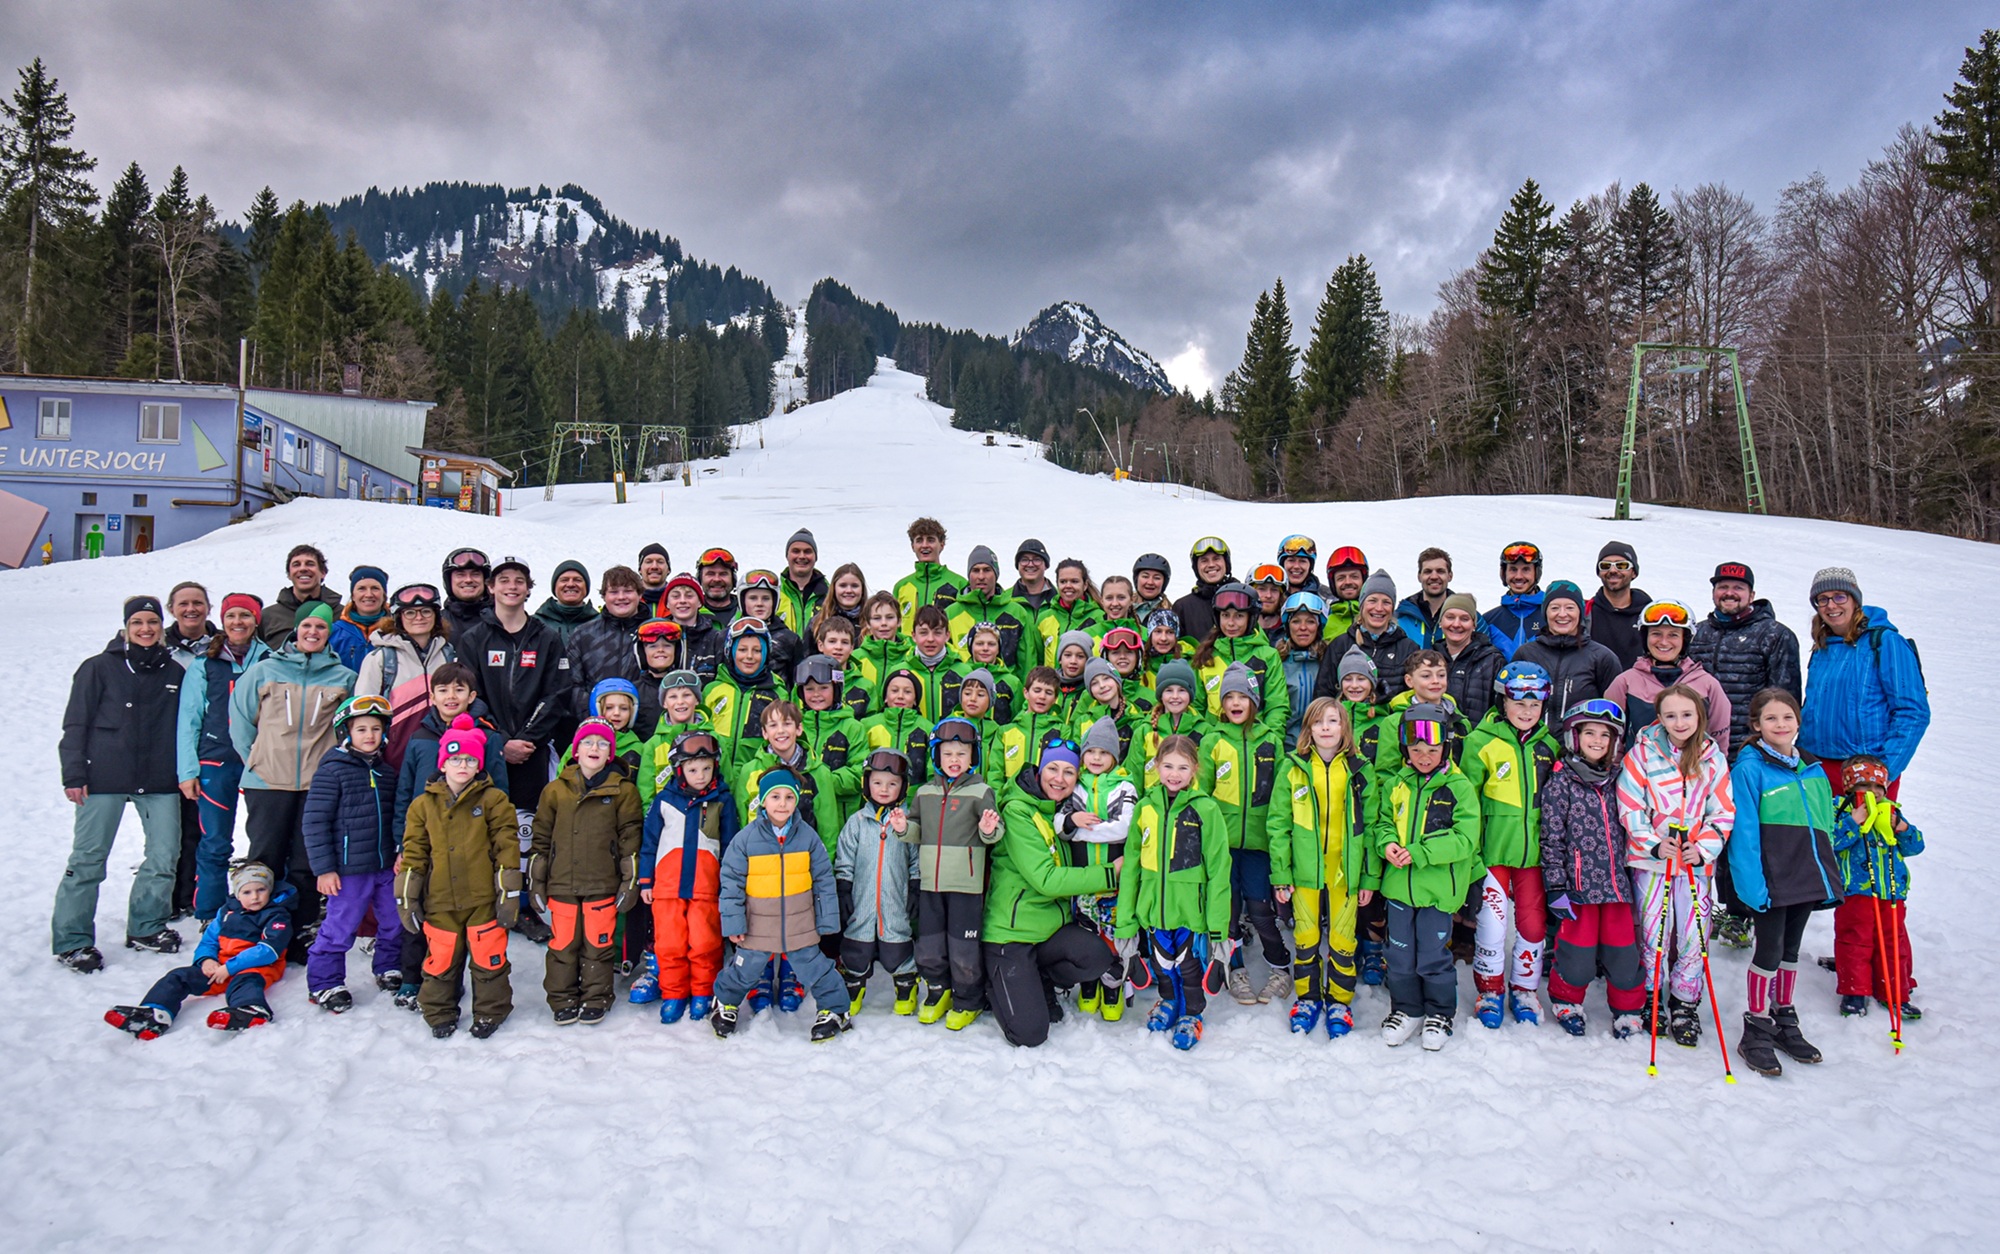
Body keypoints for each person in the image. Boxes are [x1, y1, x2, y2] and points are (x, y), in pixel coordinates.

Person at [54, 595, 187, 971]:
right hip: (104, 776)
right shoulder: (98, 668)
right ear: (127, 628)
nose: (146, 629)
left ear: (162, 628)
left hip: (159, 777)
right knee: (88, 860)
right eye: (138, 623)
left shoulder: (174, 672)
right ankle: (73, 939)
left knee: (164, 855)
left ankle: (146, 925)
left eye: (152, 623)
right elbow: (75, 723)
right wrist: (74, 773)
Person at [229, 601, 356, 962]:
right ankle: (254, 928)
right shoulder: (264, 670)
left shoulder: (342, 677)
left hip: (317, 784)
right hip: (267, 781)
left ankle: (297, 932)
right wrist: (255, 758)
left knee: (304, 861)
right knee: (264, 857)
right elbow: (240, 721)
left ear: (329, 633)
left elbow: (346, 728)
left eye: (321, 628)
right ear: (296, 630)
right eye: (307, 627)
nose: (313, 633)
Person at [1725, 688, 1842, 1076]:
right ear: (1756, 725)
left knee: (1791, 951)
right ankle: (1756, 1026)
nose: (1780, 725)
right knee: (1769, 951)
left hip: (1806, 876)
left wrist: (1827, 872)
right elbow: (1742, 833)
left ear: (1798, 723)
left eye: (1787, 718)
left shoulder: (1812, 768)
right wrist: (1750, 886)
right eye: (1771, 719)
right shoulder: (1750, 768)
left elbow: (1824, 824)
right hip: (1772, 879)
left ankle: (1784, 1017)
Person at [456, 556, 571, 945]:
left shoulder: (546, 636)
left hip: (533, 750)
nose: (511, 587)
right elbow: (471, 696)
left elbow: (557, 693)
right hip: (488, 751)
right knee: (487, 827)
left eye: (519, 581)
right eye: (503, 580)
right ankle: (487, 902)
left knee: (526, 831)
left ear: (528, 588)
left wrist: (527, 739)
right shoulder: (474, 638)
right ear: (491, 588)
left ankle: (524, 905)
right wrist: (500, 741)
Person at [1617, 684, 1735, 1049]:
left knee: (1693, 932)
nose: (1679, 722)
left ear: (1699, 715)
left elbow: (1723, 811)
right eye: (1671, 715)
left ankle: (1685, 999)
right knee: (1653, 930)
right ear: (1660, 718)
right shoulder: (1642, 754)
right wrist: (1653, 844)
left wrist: (1703, 849)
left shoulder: (1712, 758)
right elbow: (1630, 805)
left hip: (1694, 864)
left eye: (1686, 714)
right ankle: (1651, 993)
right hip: (1653, 862)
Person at [983, 741, 1121, 1048]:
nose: (1060, 778)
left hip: (1048, 932)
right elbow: (1046, 879)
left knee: (1096, 957)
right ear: (1039, 770)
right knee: (1030, 1034)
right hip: (1011, 936)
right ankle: (993, 982)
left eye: (1069, 772)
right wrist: (1110, 873)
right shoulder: (1019, 810)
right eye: (1053, 769)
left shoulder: (1059, 814)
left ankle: (1038, 979)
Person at [1364, 702, 1482, 1052]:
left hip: (1437, 890)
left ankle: (1439, 1013)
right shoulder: (1397, 784)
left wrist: (1419, 852)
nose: (1424, 756)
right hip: (1399, 888)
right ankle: (1407, 1009)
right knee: (1398, 955)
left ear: (1445, 747)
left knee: (1432, 954)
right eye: (1416, 749)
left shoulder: (1458, 788)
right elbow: (1383, 822)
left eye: (1432, 749)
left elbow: (1464, 839)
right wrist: (1386, 844)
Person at [397, 715, 522, 1039]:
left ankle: (490, 1011)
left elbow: (506, 846)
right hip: (440, 899)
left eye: (469, 759)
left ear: (479, 764)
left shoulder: (494, 800)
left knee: (488, 960)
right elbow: (414, 854)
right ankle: (439, 1012)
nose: (462, 766)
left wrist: (508, 892)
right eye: (455, 759)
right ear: (443, 763)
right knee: (440, 960)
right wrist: (408, 896)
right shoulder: (423, 806)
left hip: (482, 898)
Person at [709, 770, 853, 1043]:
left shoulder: (808, 838)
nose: (782, 803)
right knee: (744, 969)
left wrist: (827, 921)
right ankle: (724, 1003)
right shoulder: (745, 840)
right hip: (757, 926)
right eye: (775, 796)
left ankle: (835, 1010)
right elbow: (730, 882)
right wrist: (734, 923)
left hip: (800, 924)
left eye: (789, 797)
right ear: (762, 801)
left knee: (817, 969)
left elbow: (823, 879)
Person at [1460, 662, 1560, 1029]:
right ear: (1503, 701)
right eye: (1519, 703)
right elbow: (1467, 801)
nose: (1527, 711)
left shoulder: (1548, 745)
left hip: (1533, 855)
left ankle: (1524, 988)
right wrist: (1471, 850)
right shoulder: (1480, 742)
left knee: (1533, 926)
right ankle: (1490, 989)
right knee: (1491, 926)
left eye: (1535, 705)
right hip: (1493, 853)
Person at [1539, 699, 1646, 1038]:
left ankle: (1628, 1008)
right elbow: (1551, 836)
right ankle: (1567, 999)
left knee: (1623, 952)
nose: (1597, 741)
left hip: (1616, 886)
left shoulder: (1622, 778)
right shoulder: (1562, 781)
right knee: (1577, 952)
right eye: (1590, 733)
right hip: (1578, 888)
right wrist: (1555, 885)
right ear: (1575, 737)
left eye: (1605, 735)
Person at [529, 718, 644, 1027]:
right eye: (588, 742)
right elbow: (541, 838)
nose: (595, 748)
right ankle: (562, 997)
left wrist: (628, 881)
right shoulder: (555, 791)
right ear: (576, 750)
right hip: (562, 883)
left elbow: (630, 838)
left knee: (598, 944)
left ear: (611, 753)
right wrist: (537, 880)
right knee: (563, 944)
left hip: (602, 883)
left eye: (603, 743)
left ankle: (596, 998)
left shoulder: (623, 791)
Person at [1117, 734, 1228, 1050]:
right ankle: (1168, 1001)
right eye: (1167, 765)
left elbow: (1220, 870)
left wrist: (1218, 927)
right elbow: (1133, 869)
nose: (1174, 774)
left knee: (1189, 965)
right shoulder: (1144, 808)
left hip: (1190, 912)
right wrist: (1126, 922)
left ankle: (1192, 1013)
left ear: (1195, 768)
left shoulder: (1205, 809)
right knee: (1162, 963)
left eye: (1182, 767)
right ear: (1156, 766)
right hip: (1154, 909)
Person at [1270, 697, 1370, 1039]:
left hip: (1345, 871)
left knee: (1343, 939)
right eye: (1318, 722)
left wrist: (1368, 877)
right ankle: (1309, 998)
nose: (1326, 728)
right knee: (1307, 937)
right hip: (1303, 871)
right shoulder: (1294, 768)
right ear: (1308, 729)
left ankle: (1340, 1001)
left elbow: (1370, 827)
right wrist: (1281, 873)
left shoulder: (1359, 769)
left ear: (1344, 727)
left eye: (1333, 721)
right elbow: (1278, 824)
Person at [103, 863, 293, 1038]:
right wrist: (206, 960)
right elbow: (209, 940)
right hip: (220, 968)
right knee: (178, 976)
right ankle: (155, 1013)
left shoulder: (276, 915)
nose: (254, 897)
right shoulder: (226, 912)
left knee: (246, 982)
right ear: (237, 893)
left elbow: (268, 950)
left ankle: (251, 1010)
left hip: (257, 967)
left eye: (261, 890)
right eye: (247, 892)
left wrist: (231, 967)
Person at [301, 695, 402, 1012]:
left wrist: (400, 851)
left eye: (375, 728)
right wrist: (324, 869)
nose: (369, 735)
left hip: (385, 866)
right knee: (340, 926)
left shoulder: (387, 773)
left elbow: (397, 816)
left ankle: (388, 967)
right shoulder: (332, 771)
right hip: (348, 870)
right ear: (346, 733)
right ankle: (325, 983)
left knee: (394, 920)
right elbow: (315, 822)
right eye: (361, 729)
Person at [902, 718, 1004, 1029]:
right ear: (936, 756)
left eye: (962, 754)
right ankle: (938, 990)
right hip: (931, 883)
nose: (955, 760)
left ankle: (967, 998)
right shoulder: (925, 792)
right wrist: (903, 828)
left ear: (973, 757)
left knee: (963, 947)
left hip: (965, 886)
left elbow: (995, 830)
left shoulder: (981, 791)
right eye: (947, 754)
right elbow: (917, 827)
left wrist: (989, 829)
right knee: (930, 944)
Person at [1200, 664, 1292, 1006]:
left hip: (1258, 843)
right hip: (1222, 845)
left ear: (1255, 700)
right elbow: (1202, 793)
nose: (1236, 703)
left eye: (1243, 696)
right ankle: (1233, 967)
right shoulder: (1213, 741)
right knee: (1229, 907)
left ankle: (1280, 967)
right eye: (1229, 697)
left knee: (1260, 907)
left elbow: (1282, 796)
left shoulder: (1271, 741)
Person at [176, 593, 268, 923]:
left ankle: (265, 907)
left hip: (261, 761)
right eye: (231, 616)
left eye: (245, 615)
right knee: (215, 841)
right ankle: (209, 911)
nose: (238, 622)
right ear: (223, 621)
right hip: (216, 760)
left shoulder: (269, 661)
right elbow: (189, 718)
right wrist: (188, 770)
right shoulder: (206, 663)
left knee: (266, 841)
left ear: (256, 620)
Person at [1798, 567, 1930, 796]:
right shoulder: (1822, 646)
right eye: (1822, 599)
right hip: (1815, 766)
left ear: (1855, 600)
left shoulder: (1886, 643)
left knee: (1864, 832)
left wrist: (1884, 769)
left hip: (1864, 772)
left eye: (1840, 596)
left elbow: (1913, 712)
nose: (1831, 605)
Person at [638, 729, 740, 1024]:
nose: (701, 775)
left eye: (707, 768)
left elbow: (731, 847)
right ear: (679, 769)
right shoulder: (665, 801)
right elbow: (649, 843)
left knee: (705, 943)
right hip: (667, 889)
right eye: (693, 769)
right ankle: (673, 993)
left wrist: (729, 886)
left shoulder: (723, 801)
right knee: (669, 944)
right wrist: (646, 880)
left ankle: (702, 993)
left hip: (705, 888)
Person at [1829, 754, 1923, 1021]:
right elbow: (1831, 840)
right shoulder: (1841, 809)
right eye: (1863, 787)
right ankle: (1854, 990)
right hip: (1856, 890)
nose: (1871, 793)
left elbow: (1915, 846)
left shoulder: (1892, 811)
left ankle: (1895, 990)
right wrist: (1853, 822)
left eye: (1876, 788)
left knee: (1894, 941)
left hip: (1891, 891)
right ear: (1849, 788)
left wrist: (1901, 827)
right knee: (1855, 939)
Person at [1060, 718, 1141, 1021]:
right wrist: (1072, 825)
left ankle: (1112, 986)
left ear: (1114, 757)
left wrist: (1081, 828)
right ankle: (1089, 984)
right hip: (1082, 880)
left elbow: (1124, 827)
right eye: (1090, 751)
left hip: (1115, 880)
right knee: (1086, 935)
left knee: (1112, 936)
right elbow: (1062, 823)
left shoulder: (1124, 785)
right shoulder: (1075, 785)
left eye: (1103, 753)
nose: (1096, 758)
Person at [835, 749, 921, 1016]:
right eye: (877, 782)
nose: (884, 789)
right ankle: (853, 983)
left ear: (903, 787)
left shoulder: (906, 823)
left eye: (892, 783)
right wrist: (844, 885)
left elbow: (916, 855)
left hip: (895, 898)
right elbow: (845, 855)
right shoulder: (857, 822)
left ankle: (906, 982)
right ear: (866, 784)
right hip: (862, 898)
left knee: (897, 944)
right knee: (856, 945)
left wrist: (916, 885)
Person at [1686, 561, 1801, 751]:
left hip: (1750, 749)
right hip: (1699, 745)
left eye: (1738, 588)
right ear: (1713, 592)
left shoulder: (1775, 635)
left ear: (1752, 595)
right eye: (1723, 587)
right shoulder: (1698, 632)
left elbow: (1785, 700)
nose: (1729, 593)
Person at [1605, 599, 1732, 754]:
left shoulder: (1708, 685)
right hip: (1638, 774)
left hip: (1693, 773)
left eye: (1673, 635)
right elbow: (1611, 738)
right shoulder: (1625, 682)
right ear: (1645, 638)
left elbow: (1719, 744)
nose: (1664, 642)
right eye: (1656, 634)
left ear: (1684, 640)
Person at [353, 583, 456, 768]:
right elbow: (363, 713)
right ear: (398, 617)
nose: (419, 617)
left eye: (426, 611)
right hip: (393, 759)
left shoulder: (448, 655)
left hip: (443, 757)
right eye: (409, 612)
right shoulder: (382, 659)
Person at [1513, 580, 1621, 727]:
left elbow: (1614, 714)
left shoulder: (1602, 657)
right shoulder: (1526, 654)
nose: (1562, 614)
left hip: (1579, 747)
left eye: (1570, 608)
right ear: (1545, 612)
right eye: (1555, 608)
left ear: (1580, 612)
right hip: (1531, 746)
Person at [1192, 581, 1288, 741]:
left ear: (1251, 618)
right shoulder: (1206, 656)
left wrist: (1270, 742)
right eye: (1225, 615)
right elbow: (1196, 707)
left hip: (1256, 742)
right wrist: (1208, 740)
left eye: (1239, 616)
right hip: (1216, 746)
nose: (1231, 623)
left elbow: (1277, 705)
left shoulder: (1267, 656)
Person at [566, 565, 650, 731]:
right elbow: (572, 684)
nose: (621, 597)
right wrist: (594, 714)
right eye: (614, 592)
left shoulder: (654, 632)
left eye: (628, 591)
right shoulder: (583, 634)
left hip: (644, 728)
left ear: (640, 594)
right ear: (604, 596)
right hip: (594, 728)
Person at [947, 545, 1035, 685]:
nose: (981, 576)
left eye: (987, 570)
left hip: (1006, 693)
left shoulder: (1017, 613)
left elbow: (1028, 662)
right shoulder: (951, 613)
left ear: (996, 574)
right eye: (976, 570)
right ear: (969, 575)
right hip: (966, 694)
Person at [1331, 570, 1418, 697]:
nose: (1378, 608)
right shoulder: (1340, 645)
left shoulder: (1408, 648)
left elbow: (1415, 696)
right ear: (1362, 605)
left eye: (1386, 602)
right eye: (1372, 600)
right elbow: (1324, 694)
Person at [1438, 593, 1503, 728]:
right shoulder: (1430, 658)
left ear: (1474, 624)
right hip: (1435, 743)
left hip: (1477, 745)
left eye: (1464, 619)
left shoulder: (1492, 660)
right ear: (1440, 622)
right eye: (1450, 617)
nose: (1456, 624)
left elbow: (1500, 713)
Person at [259, 543, 343, 647]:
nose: (302, 569)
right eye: (296, 564)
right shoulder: (268, 616)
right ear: (289, 574)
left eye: (310, 564)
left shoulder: (343, 615)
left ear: (323, 572)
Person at [1588, 541, 1652, 671]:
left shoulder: (1649, 615)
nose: (1613, 570)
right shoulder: (1586, 613)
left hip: (1638, 689)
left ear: (1633, 572)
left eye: (1621, 565)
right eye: (1605, 565)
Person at [1480, 541, 1546, 660]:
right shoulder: (1490, 620)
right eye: (1513, 569)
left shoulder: (1551, 616)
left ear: (1536, 573)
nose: (1519, 576)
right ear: (1504, 573)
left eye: (1526, 569)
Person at [894, 517, 964, 629]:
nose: (925, 545)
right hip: (908, 646)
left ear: (942, 544)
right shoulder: (901, 586)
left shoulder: (960, 584)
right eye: (919, 540)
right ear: (912, 546)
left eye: (930, 540)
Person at [739, 571, 804, 688]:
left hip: (776, 701)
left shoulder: (789, 639)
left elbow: (798, 685)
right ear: (742, 601)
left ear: (775, 602)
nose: (759, 604)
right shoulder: (727, 636)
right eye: (753, 598)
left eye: (766, 598)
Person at [1035, 560, 1105, 666]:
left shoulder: (1100, 617)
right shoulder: (1044, 617)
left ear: (1085, 585)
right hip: (1051, 682)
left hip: (1086, 682)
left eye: (1074, 581)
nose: (1068, 586)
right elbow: (1038, 661)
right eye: (1063, 582)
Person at [329, 565, 391, 671]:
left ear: (384, 595)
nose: (369, 594)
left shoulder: (396, 631)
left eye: (375, 588)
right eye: (361, 589)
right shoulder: (334, 632)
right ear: (353, 595)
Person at [1172, 536, 1233, 642]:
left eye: (1216, 558)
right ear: (1196, 568)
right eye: (1204, 561)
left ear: (1226, 563)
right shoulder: (1183, 607)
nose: (1211, 565)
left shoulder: (1243, 599)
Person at [1396, 548, 1456, 649]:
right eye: (1428, 572)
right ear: (1419, 576)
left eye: (1440, 571)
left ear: (1450, 576)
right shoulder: (1400, 618)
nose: (1434, 576)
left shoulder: (1467, 617)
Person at [534, 559, 599, 645]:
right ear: (555, 587)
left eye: (577, 580)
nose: (570, 584)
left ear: (586, 587)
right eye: (564, 580)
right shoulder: (535, 623)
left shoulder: (601, 624)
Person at [778, 528, 828, 635]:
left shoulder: (830, 594)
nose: (801, 556)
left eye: (807, 551)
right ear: (787, 556)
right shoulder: (773, 593)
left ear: (816, 557)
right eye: (796, 551)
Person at [1319, 545, 1369, 641]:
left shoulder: (1377, 618)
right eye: (1341, 578)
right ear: (1333, 583)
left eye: (1354, 576)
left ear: (1364, 580)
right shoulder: (1322, 623)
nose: (1348, 582)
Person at [440, 547, 493, 636]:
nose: (468, 580)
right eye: (460, 575)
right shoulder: (435, 624)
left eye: (475, 574)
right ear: (449, 581)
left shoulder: (503, 620)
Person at [695, 547, 742, 623]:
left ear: (733, 579)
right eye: (710, 574)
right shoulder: (689, 613)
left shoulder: (747, 611)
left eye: (723, 574)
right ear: (700, 578)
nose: (717, 579)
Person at [1011, 538, 1055, 612]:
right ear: (1017, 565)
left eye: (1037, 559)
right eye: (1024, 560)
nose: (1030, 564)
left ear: (1046, 565)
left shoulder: (1060, 599)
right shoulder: (1004, 599)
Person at [1250, 564, 1288, 641]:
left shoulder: (1290, 630)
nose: (1268, 595)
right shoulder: (1241, 629)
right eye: (1262, 589)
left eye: (1274, 590)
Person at [1131, 552, 1173, 622]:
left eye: (1157, 578)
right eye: (1145, 576)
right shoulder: (1122, 608)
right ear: (1136, 579)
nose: (1150, 582)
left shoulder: (1170, 613)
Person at [635, 543, 672, 612]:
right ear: (640, 569)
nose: (654, 566)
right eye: (648, 562)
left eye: (660, 562)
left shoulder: (678, 601)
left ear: (668, 569)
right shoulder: (629, 601)